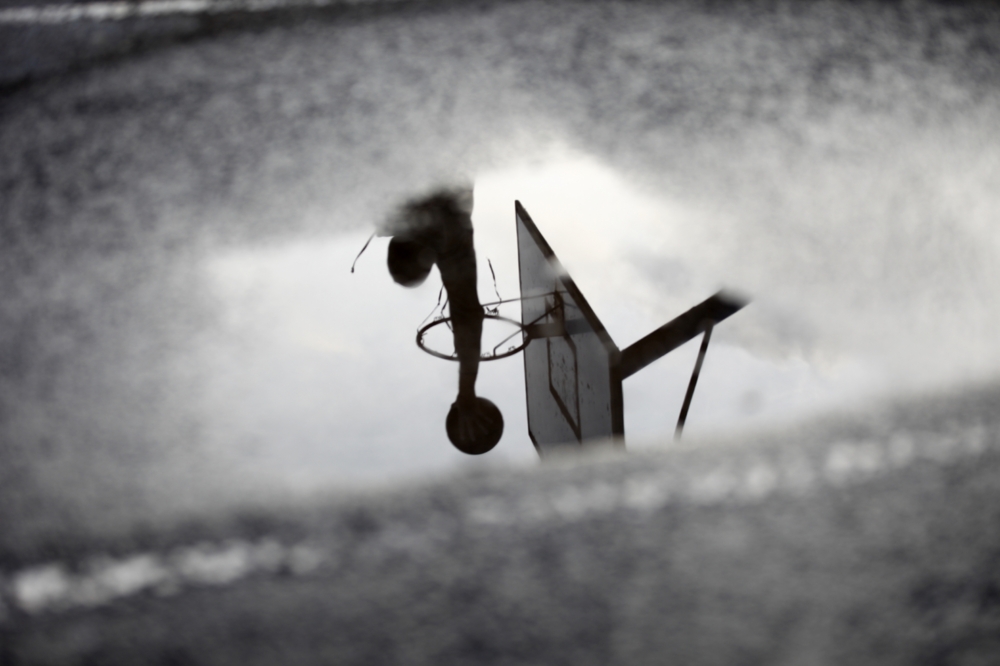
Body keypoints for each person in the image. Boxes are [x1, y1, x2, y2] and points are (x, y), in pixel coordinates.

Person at [380, 185, 504, 455]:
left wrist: (467, 392)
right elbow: (465, 314)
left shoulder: (448, 233)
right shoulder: (388, 212)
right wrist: (466, 393)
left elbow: (467, 315)